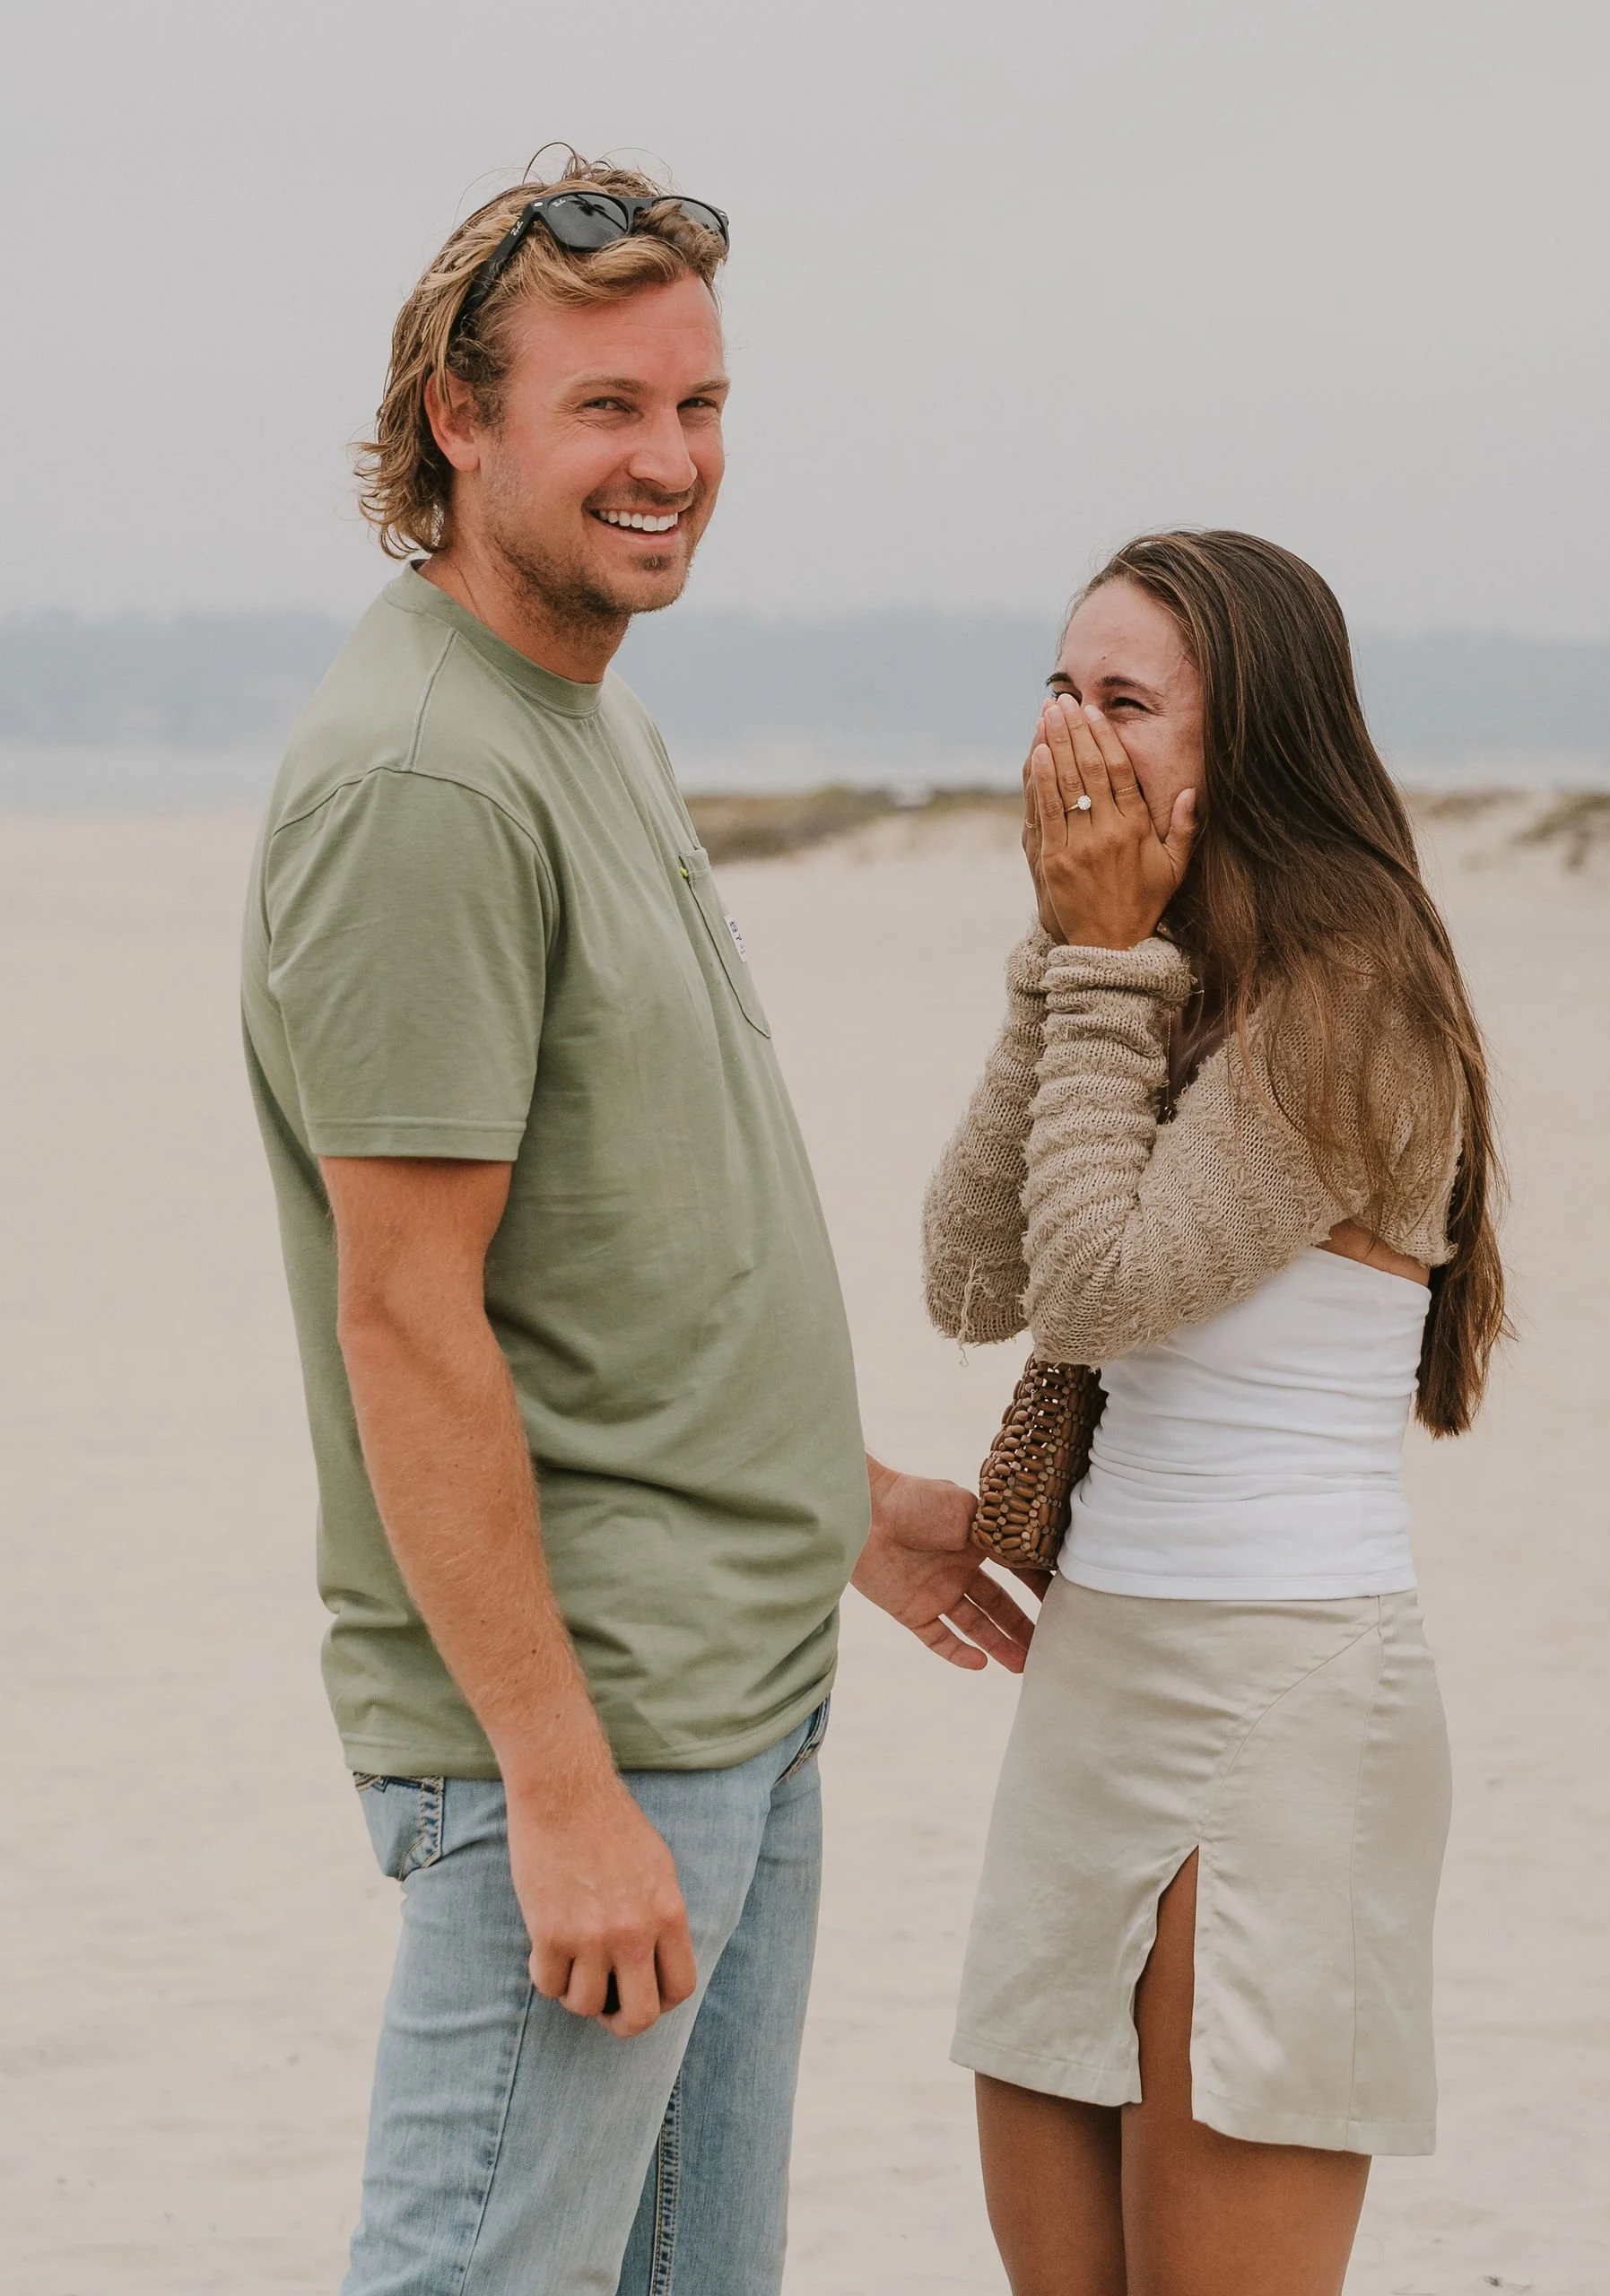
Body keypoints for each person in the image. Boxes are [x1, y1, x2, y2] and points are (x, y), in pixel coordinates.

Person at [241, 153, 1033, 2296]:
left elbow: (625, 1242)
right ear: (456, 419)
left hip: (729, 1683)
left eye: (697, 405)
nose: (668, 460)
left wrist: (839, 1499)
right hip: (592, 1728)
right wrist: (558, 1781)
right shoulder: (425, 778)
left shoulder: (584, 715)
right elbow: (404, 1320)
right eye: (604, 407)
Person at [923, 529, 1508, 2296]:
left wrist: (1098, 958)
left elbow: (1096, 1287)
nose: (1072, 738)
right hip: (1097, 1680)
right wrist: (1066, 956)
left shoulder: (1357, 998)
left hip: (1284, 1692)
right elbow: (966, 1273)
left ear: (1235, 741)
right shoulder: (1147, 968)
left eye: (1123, 701)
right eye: (1057, 687)